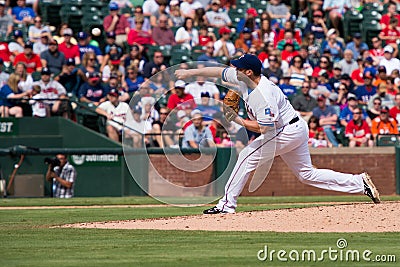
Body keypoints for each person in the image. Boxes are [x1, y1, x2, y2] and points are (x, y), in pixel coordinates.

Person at [175, 53, 381, 214]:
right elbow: (217, 72)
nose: (232, 69)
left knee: (247, 155)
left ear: (247, 72)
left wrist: (236, 119)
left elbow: (265, 129)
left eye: (237, 67)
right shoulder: (244, 78)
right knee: (306, 174)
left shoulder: (263, 93)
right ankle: (359, 183)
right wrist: (189, 74)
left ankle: (226, 205)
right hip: (295, 126)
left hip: (286, 130)